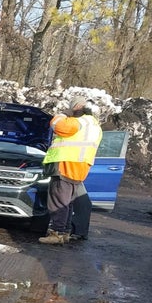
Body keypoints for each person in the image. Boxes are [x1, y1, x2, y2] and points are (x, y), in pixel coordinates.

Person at [38, 96, 102, 244]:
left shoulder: (78, 121)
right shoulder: (95, 126)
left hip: (65, 165)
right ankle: (65, 232)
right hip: (79, 168)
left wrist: (64, 114)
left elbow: (57, 125)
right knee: (68, 201)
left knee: (58, 200)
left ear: (76, 108)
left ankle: (57, 233)